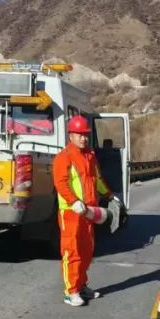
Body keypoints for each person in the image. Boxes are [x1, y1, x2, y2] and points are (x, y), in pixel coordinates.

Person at [54, 114, 112, 307]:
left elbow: (97, 179)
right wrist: (73, 202)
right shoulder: (64, 156)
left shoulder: (90, 156)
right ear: (71, 135)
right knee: (72, 251)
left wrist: (110, 195)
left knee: (87, 251)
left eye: (85, 134)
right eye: (79, 134)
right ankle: (71, 292)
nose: (83, 138)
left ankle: (81, 285)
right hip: (71, 212)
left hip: (89, 211)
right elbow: (61, 183)